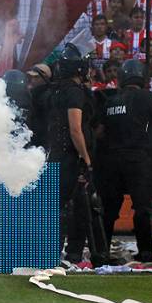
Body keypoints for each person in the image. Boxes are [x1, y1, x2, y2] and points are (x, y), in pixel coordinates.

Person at [94, 59, 152, 262]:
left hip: (111, 159)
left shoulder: (110, 101)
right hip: (138, 158)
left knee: (109, 209)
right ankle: (146, 252)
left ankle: (102, 250)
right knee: (143, 207)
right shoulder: (147, 97)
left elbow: (99, 132)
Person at [47, 44, 102, 268]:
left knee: (60, 206)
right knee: (74, 207)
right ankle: (68, 254)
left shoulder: (57, 91)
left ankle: (56, 252)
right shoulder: (74, 93)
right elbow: (75, 129)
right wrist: (86, 158)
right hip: (71, 158)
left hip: (57, 154)